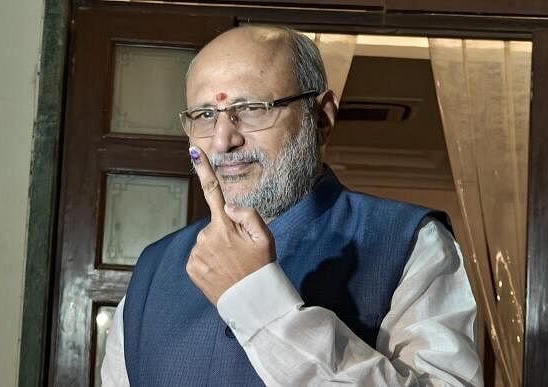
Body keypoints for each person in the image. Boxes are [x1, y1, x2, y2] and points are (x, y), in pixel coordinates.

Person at [101, 25, 482, 386]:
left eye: (251, 108)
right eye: (204, 115)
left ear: (321, 118)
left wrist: (258, 302)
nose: (222, 140)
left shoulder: (408, 243)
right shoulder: (152, 269)